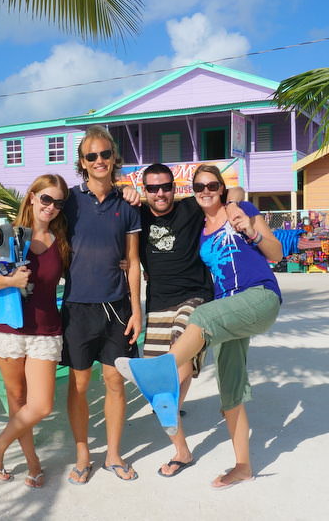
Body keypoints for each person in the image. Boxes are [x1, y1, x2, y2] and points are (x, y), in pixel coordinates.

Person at [117, 163, 283, 488]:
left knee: (199, 320)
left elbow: (275, 252)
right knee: (230, 387)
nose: (205, 191)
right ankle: (243, 466)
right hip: (226, 307)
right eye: (200, 187)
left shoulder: (239, 210)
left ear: (220, 188)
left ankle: (159, 370)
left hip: (257, 295)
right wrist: (124, 192)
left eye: (212, 185)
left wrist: (249, 226)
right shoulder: (201, 228)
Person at [0, 174, 71, 489]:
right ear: (32, 197)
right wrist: (9, 281)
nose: (52, 207)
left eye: (59, 202)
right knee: (18, 399)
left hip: (45, 329)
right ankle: (32, 463)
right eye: (46, 199)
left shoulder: (63, 241)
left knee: (41, 405)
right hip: (6, 327)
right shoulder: (6, 235)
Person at [61, 125, 142, 484]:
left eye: (104, 154)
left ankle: (112, 454)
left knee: (114, 381)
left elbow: (134, 261)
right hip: (77, 307)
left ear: (114, 158)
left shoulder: (127, 205)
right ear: (82, 162)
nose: (99, 161)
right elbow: (37, 218)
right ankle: (82, 455)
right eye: (91, 156)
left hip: (116, 307)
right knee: (78, 385)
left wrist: (137, 309)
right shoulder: (69, 202)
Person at [136, 163, 214, 477]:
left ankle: (176, 430)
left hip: (194, 296)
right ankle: (178, 439)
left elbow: (230, 193)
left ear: (174, 187)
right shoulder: (137, 215)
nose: (160, 193)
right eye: (153, 188)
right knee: (159, 381)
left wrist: (236, 205)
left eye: (166, 186)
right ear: (145, 191)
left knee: (177, 360)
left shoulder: (190, 208)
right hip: (157, 303)